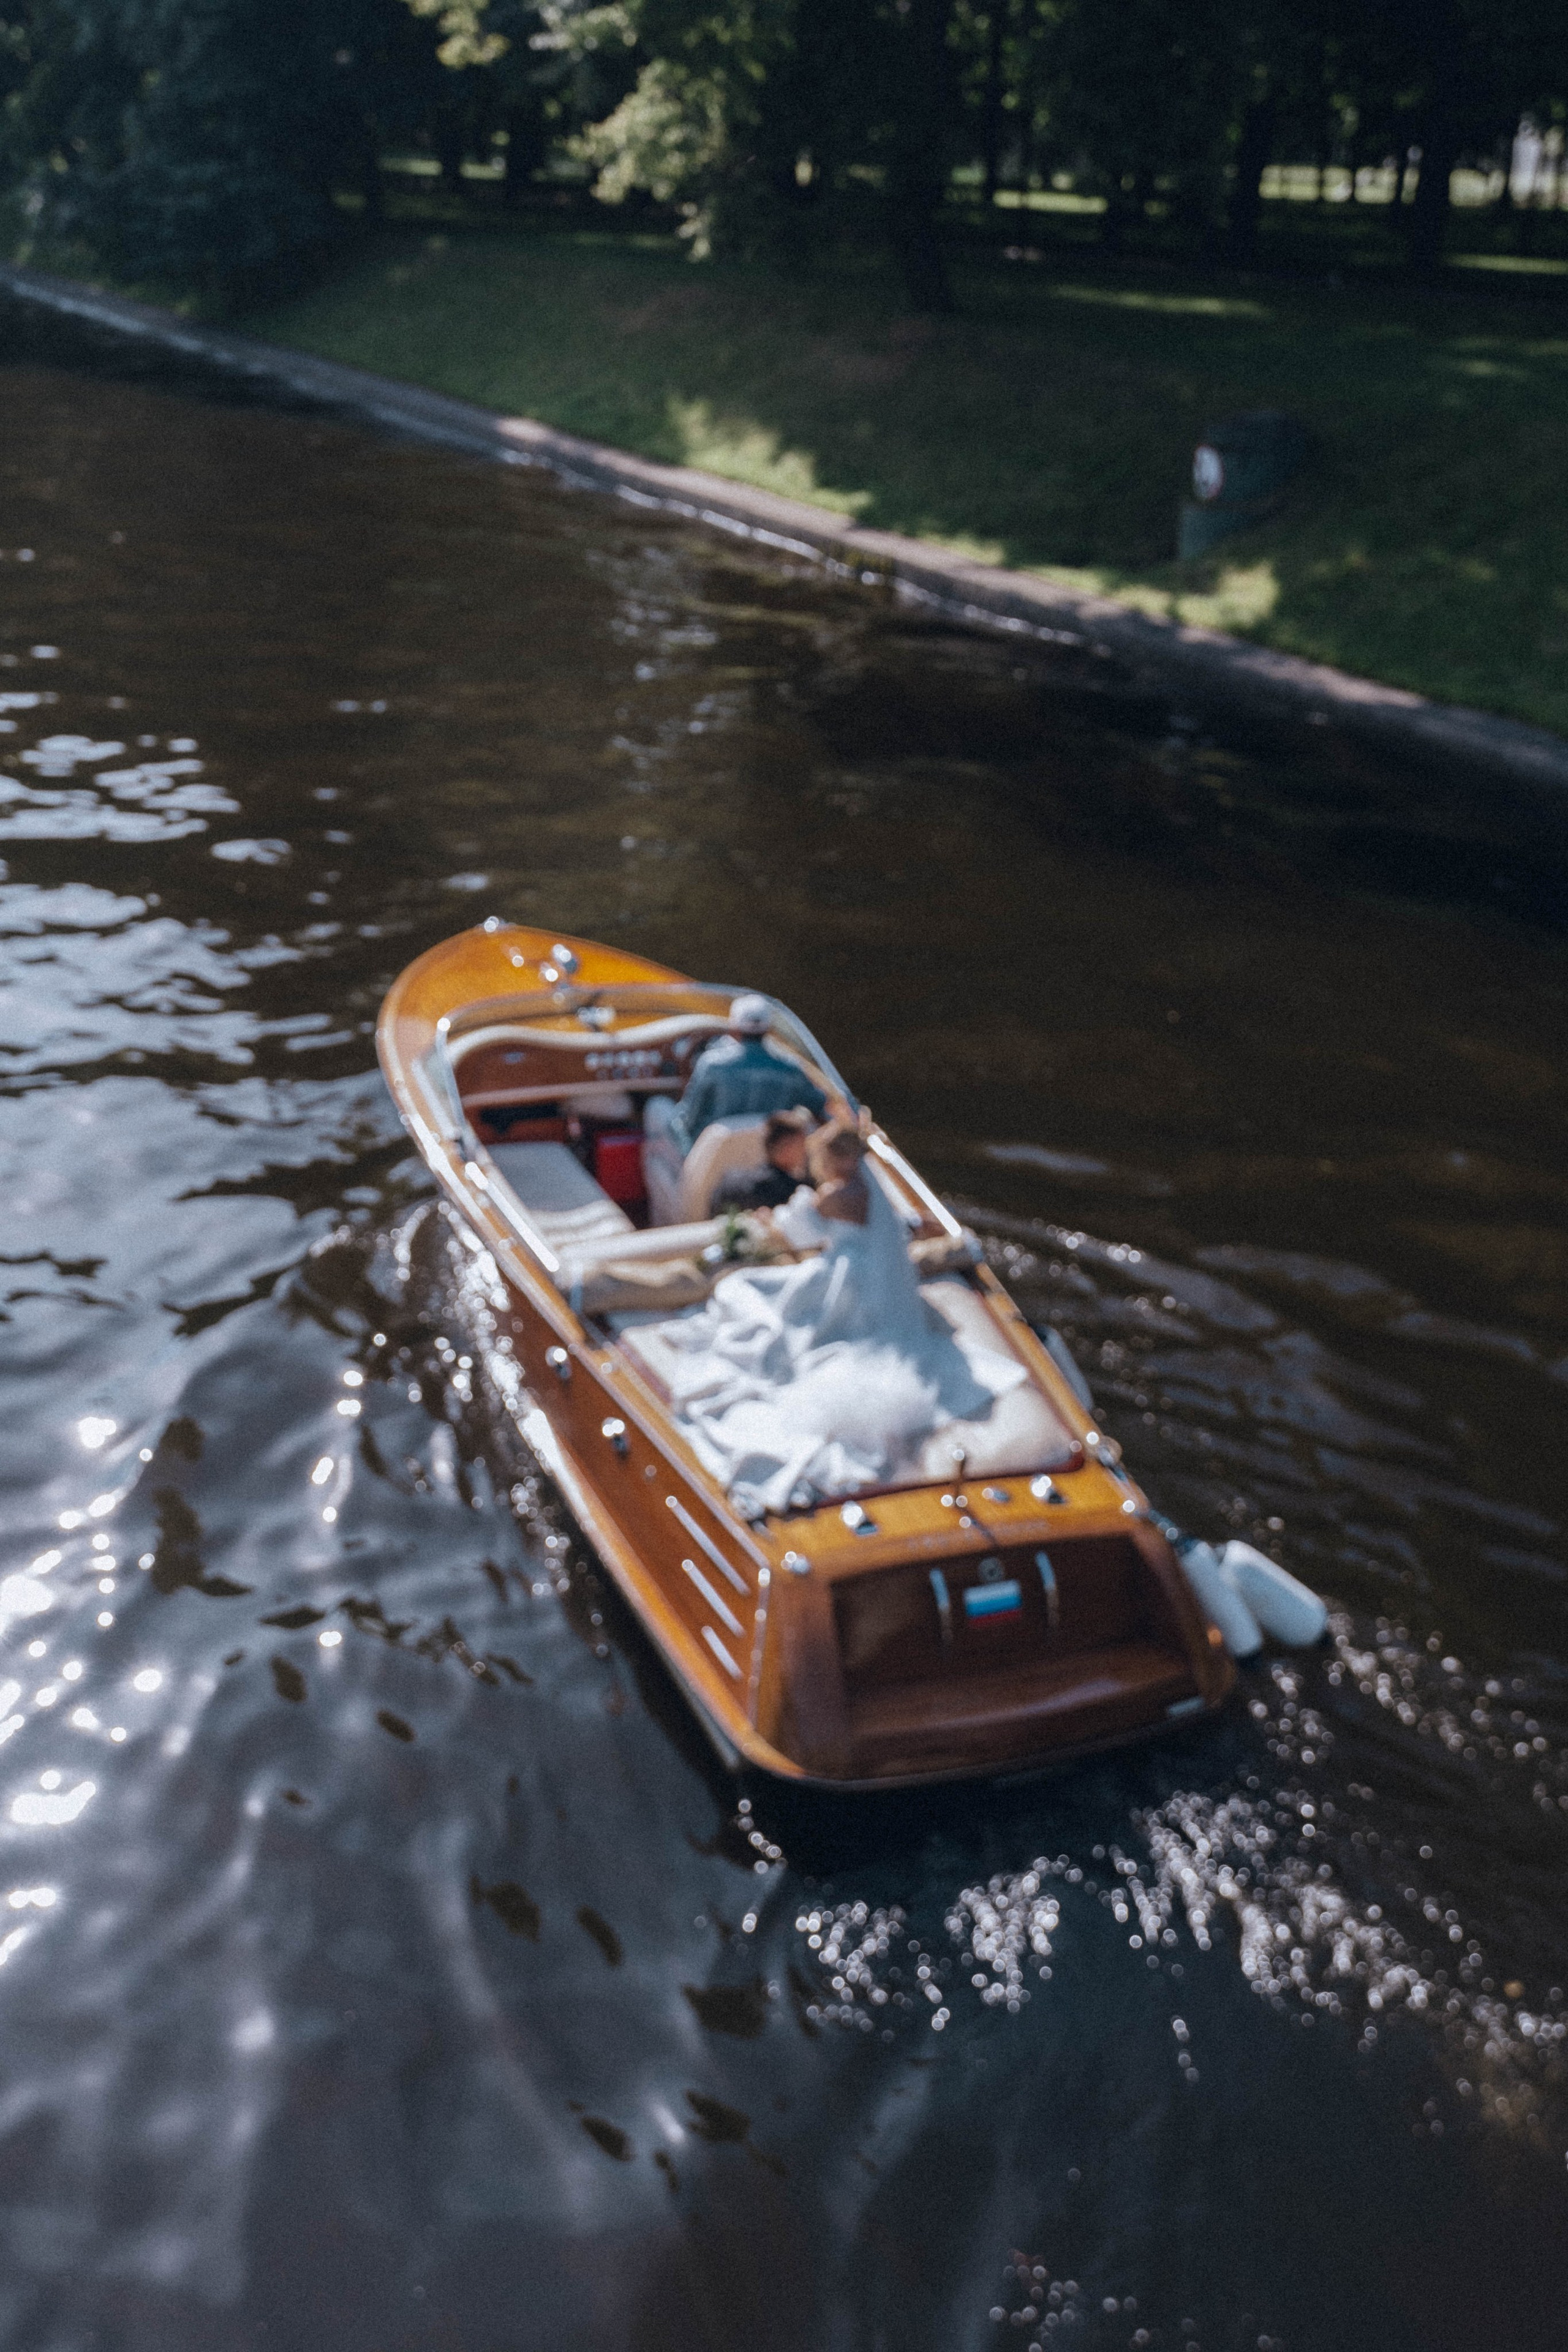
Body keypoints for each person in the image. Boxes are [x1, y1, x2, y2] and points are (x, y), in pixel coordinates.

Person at [662, 1117, 1028, 1518]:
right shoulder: (873, 1186)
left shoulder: (836, 1194)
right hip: (887, 1285)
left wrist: (772, 1221)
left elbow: (799, 1233)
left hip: (848, 1279)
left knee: (746, 1291)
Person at [668, 992, 829, 1155]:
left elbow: (687, 1119)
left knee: (658, 1108)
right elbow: (821, 1107)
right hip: (771, 1159)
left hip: (717, 1160)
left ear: (734, 1029)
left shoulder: (712, 1065)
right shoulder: (792, 1069)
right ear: (769, 1030)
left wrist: (687, 1151)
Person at [707, 1107, 815, 1215]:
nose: (806, 1151)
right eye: (802, 1145)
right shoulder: (793, 1192)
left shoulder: (729, 1180)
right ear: (787, 1148)